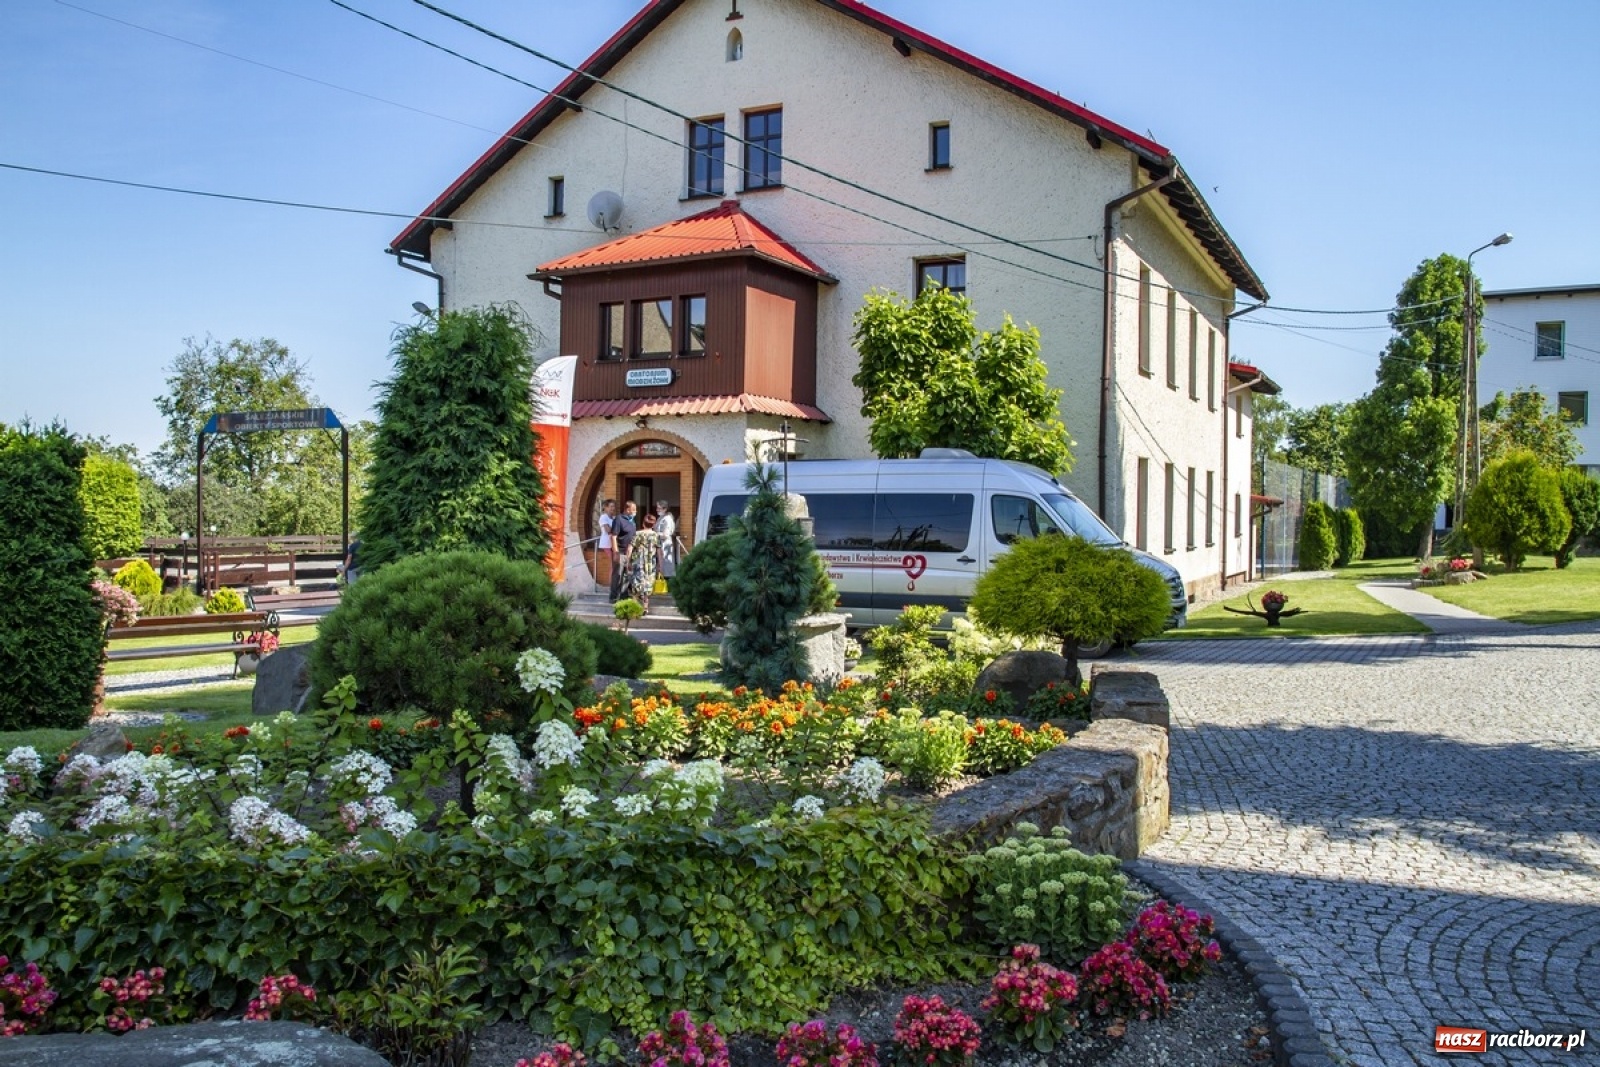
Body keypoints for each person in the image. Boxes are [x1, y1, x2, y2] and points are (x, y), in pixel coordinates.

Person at [627, 511, 663, 612]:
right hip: (650, 564)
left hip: (638, 563)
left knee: (636, 584)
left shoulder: (637, 534)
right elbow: (660, 552)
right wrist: (660, 565)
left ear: (643, 523)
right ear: (653, 524)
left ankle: (634, 607)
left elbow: (630, 548)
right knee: (647, 585)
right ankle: (645, 607)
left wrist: (628, 561)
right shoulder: (656, 536)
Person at [610, 500, 638, 603]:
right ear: (627, 509)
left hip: (630, 553)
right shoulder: (619, 519)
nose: (635, 511)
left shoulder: (632, 521)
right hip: (621, 551)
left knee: (627, 574)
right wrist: (616, 552)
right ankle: (614, 596)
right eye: (633, 509)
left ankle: (624, 595)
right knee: (618, 574)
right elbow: (613, 536)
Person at [654, 500, 678, 588]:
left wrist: (654, 534)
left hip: (665, 545)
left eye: (659, 508)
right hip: (660, 545)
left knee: (666, 566)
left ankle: (668, 586)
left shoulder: (667, 519)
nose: (657, 510)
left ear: (665, 509)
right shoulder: (661, 517)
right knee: (661, 565)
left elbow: (665, 534)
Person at [598, 499, 618, 600]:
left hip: (613, 543)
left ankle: (613, 585)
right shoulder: (603, 517)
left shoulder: (614, 518)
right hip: (607, 543)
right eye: (610, 506)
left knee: (615, 565)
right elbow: (608, 530)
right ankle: (611, 586)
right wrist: (616, 530)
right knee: (613, 564)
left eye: (613, 506)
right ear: (605, 507)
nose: (612, 508)